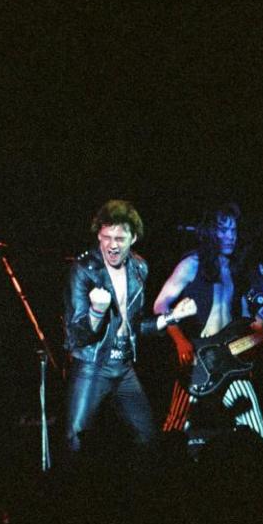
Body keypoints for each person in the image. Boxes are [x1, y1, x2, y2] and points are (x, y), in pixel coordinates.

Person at [64, 200, 195, 467]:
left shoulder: (139, 268)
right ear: (98, 235)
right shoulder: (84, 270)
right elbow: (76, 336)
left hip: (123, 367)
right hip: (93, 365)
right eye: (106, 237)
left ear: (133, 238)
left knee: (148, 438)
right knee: (74, 440)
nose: (112, 245)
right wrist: (97, 313)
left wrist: (172, 317)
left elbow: (134, 327)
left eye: (120, 238)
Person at [154, 203, 263, 456]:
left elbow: (242, 317)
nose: (230, 236)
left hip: (231, 359)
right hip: (197, 359)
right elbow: (160, 304)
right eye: (223, 230)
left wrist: (259, 327)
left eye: (234, 230)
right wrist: (180, 341)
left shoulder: (237, 269)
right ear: (209, 232)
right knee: (175, 429)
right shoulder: (192, 263)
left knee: (255, 429)